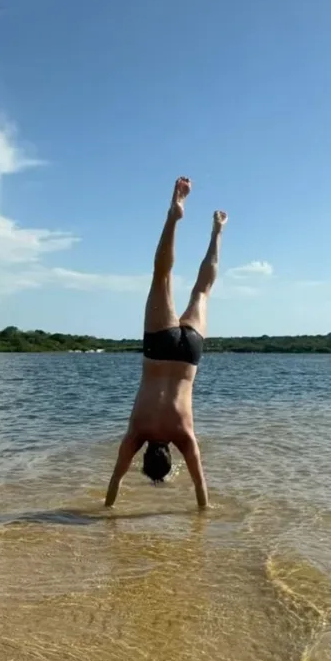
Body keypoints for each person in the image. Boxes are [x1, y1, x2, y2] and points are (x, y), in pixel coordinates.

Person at [104, 177, 227, 509]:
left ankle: (217, 232)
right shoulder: (135, 435)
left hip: (188, 355)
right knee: (162, 277)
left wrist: (203, 515)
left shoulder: (184, 436)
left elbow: (202, 489)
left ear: (170, 454)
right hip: (159, 349)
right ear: (143, 455)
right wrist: (106, 510)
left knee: (203, 290)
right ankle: (173, 218)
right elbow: (115, 480)